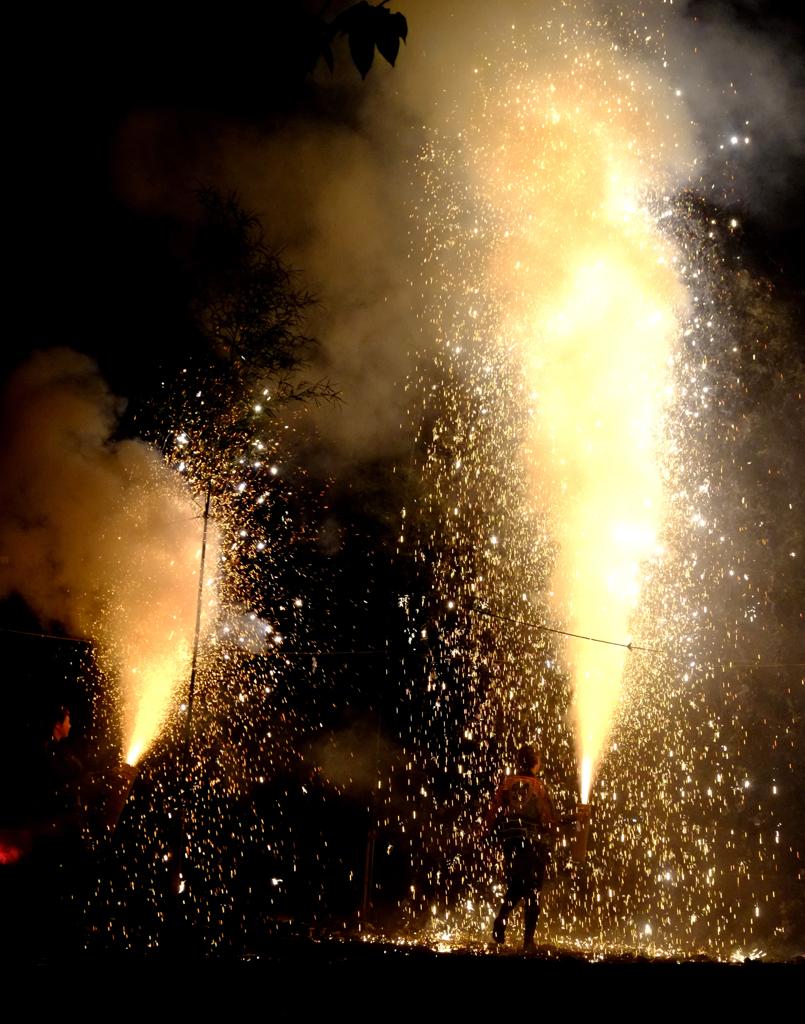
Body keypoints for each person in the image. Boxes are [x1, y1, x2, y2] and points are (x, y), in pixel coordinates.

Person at [480, 744, 590, 952]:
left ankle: (502, 919)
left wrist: (483, 837)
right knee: (532, 892)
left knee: (516, 885)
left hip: (511, 844)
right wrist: (572, 820)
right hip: (533, 846)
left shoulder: (507, 784)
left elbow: (492, 814)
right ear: (536, 761)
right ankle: (527, 941)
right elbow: (548, 821)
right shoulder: (538, 787)